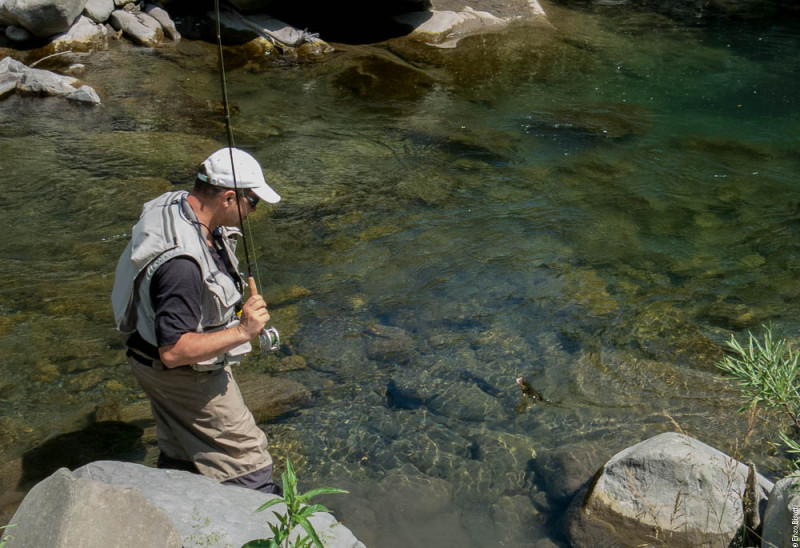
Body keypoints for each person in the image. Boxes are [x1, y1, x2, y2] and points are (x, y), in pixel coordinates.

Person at [111, 147, 282, 494]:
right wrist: (243, 330)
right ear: (229, 197)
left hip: (147, 363)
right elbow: (174, 351)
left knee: (183, 454)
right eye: (253, 203)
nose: (253, 212)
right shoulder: (182, 267)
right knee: (248, 463)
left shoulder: (174, 204)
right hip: (178, 374)